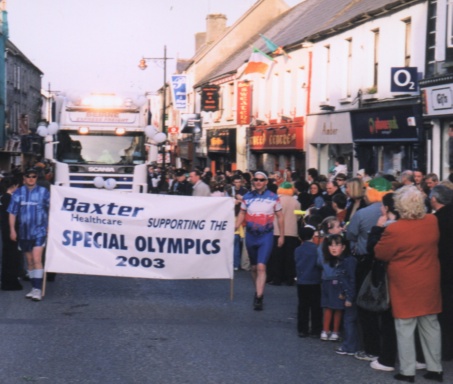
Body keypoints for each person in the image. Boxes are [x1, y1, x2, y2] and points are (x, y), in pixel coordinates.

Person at [375, 186, 443, 383]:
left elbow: (381, 253)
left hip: (405, 282)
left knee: (405, 326)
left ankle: (407, 371)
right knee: (430, 324)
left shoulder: (395, 229)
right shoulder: (432, 221)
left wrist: (380, 227)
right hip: (429, 278)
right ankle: (435, 368)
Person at [346, 177, 393, 362]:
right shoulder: (396, 212)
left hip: (366, 260)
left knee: (365, 303)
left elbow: (351, 234)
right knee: (387, 306)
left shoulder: (363, 213)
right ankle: (388, 349)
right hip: (389, 262)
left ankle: (371, 348)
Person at [235, 170, 284, 311]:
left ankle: (259, 297)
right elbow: (242, 213)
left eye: (261, 180)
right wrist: (236, 226)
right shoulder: (247, 197)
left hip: (266, 236)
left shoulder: (274, 197)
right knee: (254, 267)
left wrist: (281, 235)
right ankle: (257, 289)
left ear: (266, 182)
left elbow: (280, 216)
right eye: (256, 180)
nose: (258, 182)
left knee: (262, 266)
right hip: (251, 236)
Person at [7, 168, 50, 301]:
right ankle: (34, 287)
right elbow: (12, 212)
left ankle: (37, 289)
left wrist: (49, 224)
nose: (31, 178)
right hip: (24, 232)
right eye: (28, 176)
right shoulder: (18, 193)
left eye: (34, 176)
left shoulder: (44, 192)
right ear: (24, 178)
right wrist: (12, 230)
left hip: (39, 231)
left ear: (37, 178)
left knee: (37, 259)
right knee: (29, 261)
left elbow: (53, 209)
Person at [430, 185, 453, 361]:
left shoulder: (435, 220)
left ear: (434, 199)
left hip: (443, 269)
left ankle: (446, 349)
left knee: (445, 311)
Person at [267, 182, 300, 286]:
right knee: (289, 257)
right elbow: (298, 217)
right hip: (292, 231)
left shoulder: (277, 200)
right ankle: (289, 278)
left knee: (277, 257)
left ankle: (277, 278)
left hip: (277, 231)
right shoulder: (296, 202)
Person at [294, 226, 322, 338]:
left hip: (302, 280)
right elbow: (319, 263)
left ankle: (302, 329)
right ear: (312, 236)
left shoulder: (298, 250)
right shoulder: (317, 249)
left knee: (303, 306)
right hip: (315, 280)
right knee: (316, 306)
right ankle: (316, 329)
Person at [0, 176, 22, 291]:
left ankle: (5, 281)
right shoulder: (11, 199)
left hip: (4, 229)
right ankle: (11, 282)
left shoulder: (3, 198)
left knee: (6, 255)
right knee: (13, 256)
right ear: (13, 186)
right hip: (11, 229)